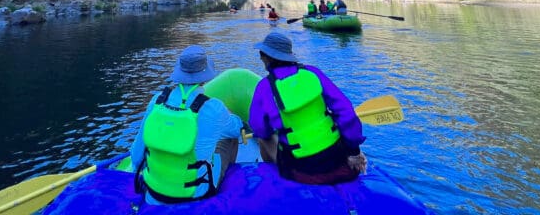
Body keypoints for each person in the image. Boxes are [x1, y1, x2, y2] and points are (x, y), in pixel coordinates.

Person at [249, 31, 367, 185]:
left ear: (268, 57)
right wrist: (354, 151)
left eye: (261, 54)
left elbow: (260, 129)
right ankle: (356, 156)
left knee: (263, 138)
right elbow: (346, 112)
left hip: (300, 173)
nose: (260, 58)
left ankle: (274, 176)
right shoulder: (313, 73)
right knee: (344, 129)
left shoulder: (264, 88)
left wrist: (279, 125)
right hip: (340, 166)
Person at [131, 45, 244, 204]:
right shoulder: (214, 107)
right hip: (195, 193)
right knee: (229, 138)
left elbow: (136, 157)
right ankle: (221, 187)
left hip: (154, 192)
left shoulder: (156, 101)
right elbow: (236, 129)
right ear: (204, 77)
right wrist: (230, 114)